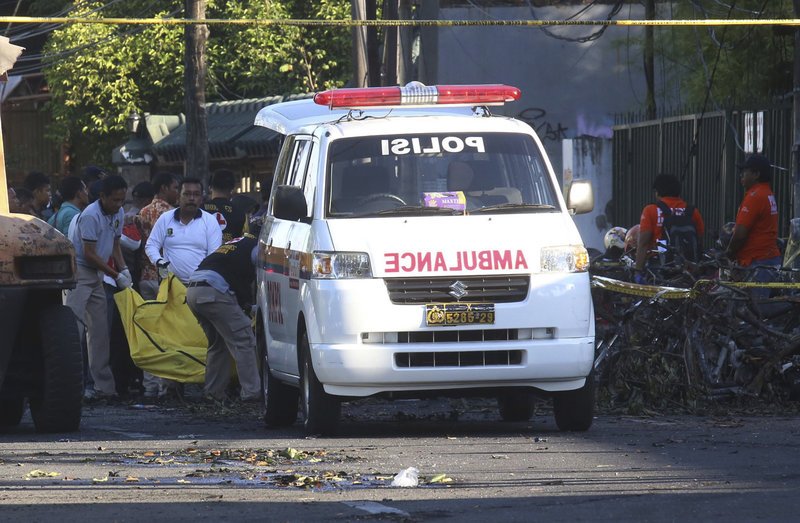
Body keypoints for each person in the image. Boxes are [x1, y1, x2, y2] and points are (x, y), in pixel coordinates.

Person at [65, 175, 131, 400]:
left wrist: (124, 269)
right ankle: (69, 385)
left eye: (122, 200)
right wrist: (115, 274)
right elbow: (89, 254)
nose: (119, 204)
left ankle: (105, 387)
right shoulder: (91, 215)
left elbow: (115, 245)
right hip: (81, 272)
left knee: (100, 331)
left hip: (98, 274)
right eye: (115, 200)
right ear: (102, 196)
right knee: (73, 328)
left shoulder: (118, 212)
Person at [186, 233, 261, 403]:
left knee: (218, 344)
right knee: (244, 339)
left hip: (193, 290)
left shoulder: (237, 242)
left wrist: (246, 305)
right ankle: (252, 393)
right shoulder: (258, 247)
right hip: (214, 291)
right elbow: (258, 276)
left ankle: (214, 392)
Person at [145, 177, 222, 285]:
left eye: (196, 194)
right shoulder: (165, 219)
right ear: (178, 196)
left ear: (201, 198)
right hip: (170, 285)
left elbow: (214, 256)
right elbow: (151, 245)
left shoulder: (210, 221)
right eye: (186, 194)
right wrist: (159, 261)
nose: (191, 198)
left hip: (200, 285)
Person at [634, 173, 705, 283]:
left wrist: (638, 270)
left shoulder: (651, 210)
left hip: (660, 268)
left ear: (658, 192)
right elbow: (699, 239)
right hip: (688, 269)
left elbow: (643, 243)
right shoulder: (692, 212)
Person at [726, 153, 781, 285]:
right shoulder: (767, 193)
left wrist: (729, 253)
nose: (741, 175)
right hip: (769, 259)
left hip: (757, 262)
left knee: (754, 303)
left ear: (756, 174)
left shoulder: (754, 197)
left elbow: (739, 235)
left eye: (745, 172)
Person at [136, 172, 179, 300]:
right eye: (175, 188)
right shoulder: (172, 213)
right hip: (166, 277)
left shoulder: (143, 211)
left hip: (145, 276)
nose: (178, 192)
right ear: (164, 188)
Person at [203, 169, 246, 242]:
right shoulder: (239, 213)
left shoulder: (200, 210)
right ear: (232, 189)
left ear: (210, 187)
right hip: (230, 252)